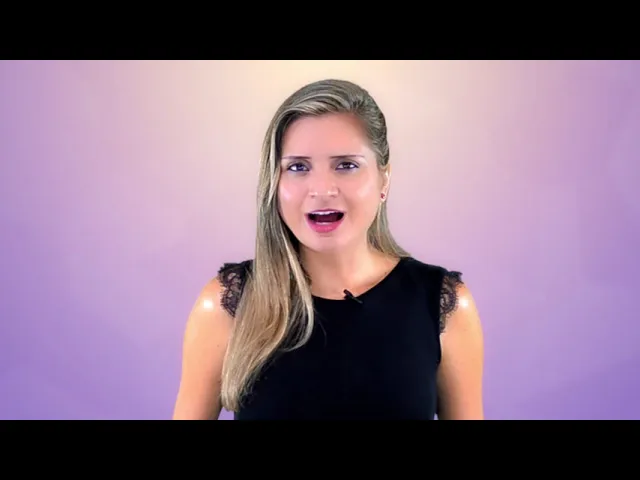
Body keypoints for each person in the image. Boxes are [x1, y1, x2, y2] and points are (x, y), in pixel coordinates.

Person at [172, 79, 484, 420]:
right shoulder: (226, 305)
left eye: (346, 165)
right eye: (298, 167)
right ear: (274, 183)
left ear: (384, 179)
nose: (321, 189)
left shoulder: (443, 306)